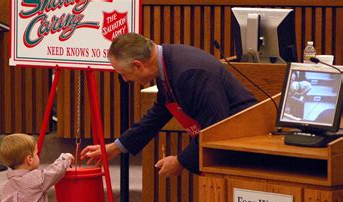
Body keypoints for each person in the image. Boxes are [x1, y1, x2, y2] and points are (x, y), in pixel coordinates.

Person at [81, 33, 257, 175]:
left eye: (123, 73)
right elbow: (160, 112)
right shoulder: (167, 63)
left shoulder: (189, 73)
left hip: (244, 147)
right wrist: (117, 146)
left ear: (138, 65)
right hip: (229, 145)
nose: (125, 80)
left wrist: (181, 161)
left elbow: (215, 127)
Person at [0, 133, 74, 202]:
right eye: (36, 153)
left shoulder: (5, 188)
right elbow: (54, 172)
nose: (38, 156)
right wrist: (66, 158)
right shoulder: (35, 179)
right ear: (29, 159)